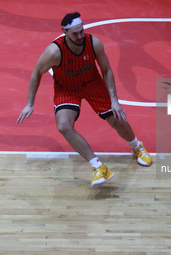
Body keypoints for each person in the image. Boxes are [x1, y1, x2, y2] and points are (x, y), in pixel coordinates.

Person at [17, 12, 152, 189]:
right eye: (75, 33)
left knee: (117, 120)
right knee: (63, 126)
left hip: (92, 84)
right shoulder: (54, 52)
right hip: (67, 88)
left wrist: (115, 100)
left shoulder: (93, 43)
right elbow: (36, 73)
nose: (80, 36)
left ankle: (136, 146)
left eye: (81, 31)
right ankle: (98, 166)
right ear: (65, 32)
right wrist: (29, 103)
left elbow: (107, 70)